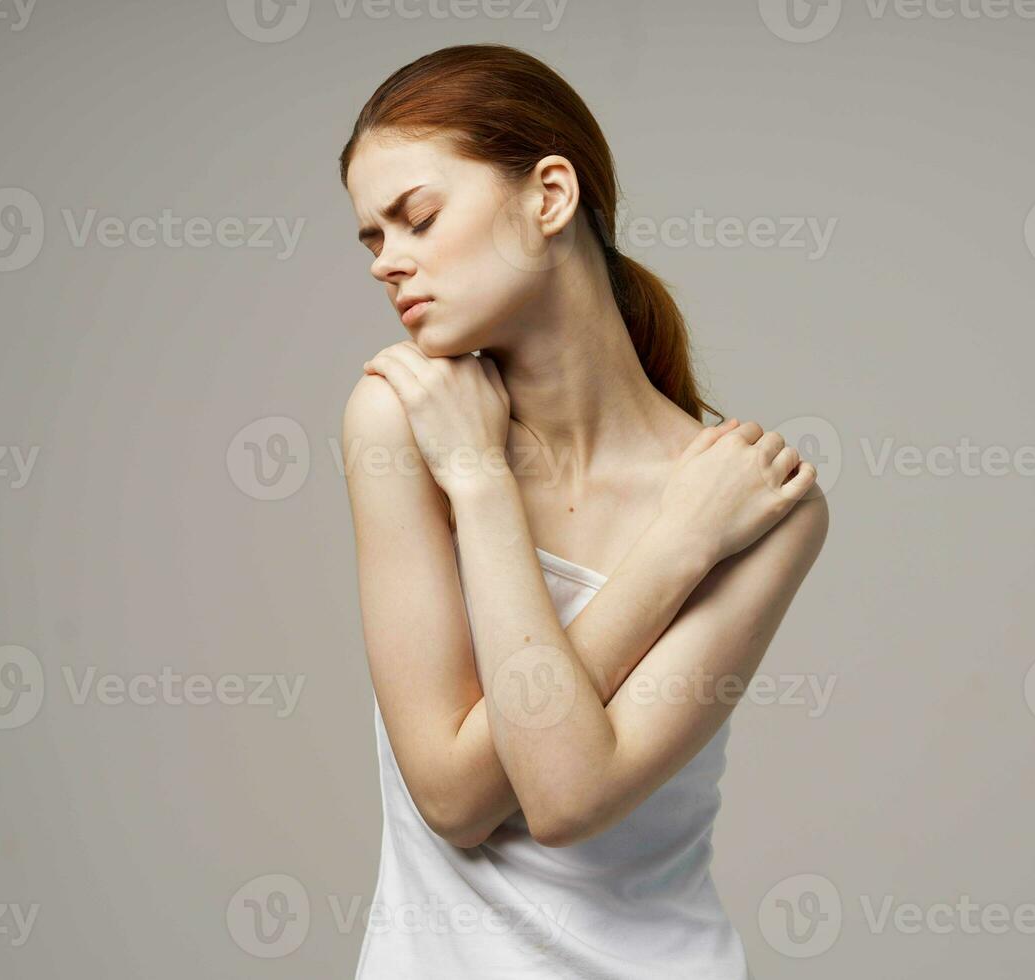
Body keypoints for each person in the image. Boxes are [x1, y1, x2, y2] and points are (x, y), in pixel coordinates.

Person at [338, 43, 828, 979]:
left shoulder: (763, 505)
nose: (386, 265)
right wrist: (666, 548)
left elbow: (566, 795)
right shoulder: (399, 423)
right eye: (372, 239)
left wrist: (692, 526)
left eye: (418, 219)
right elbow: (453, 796)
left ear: (550, 196)